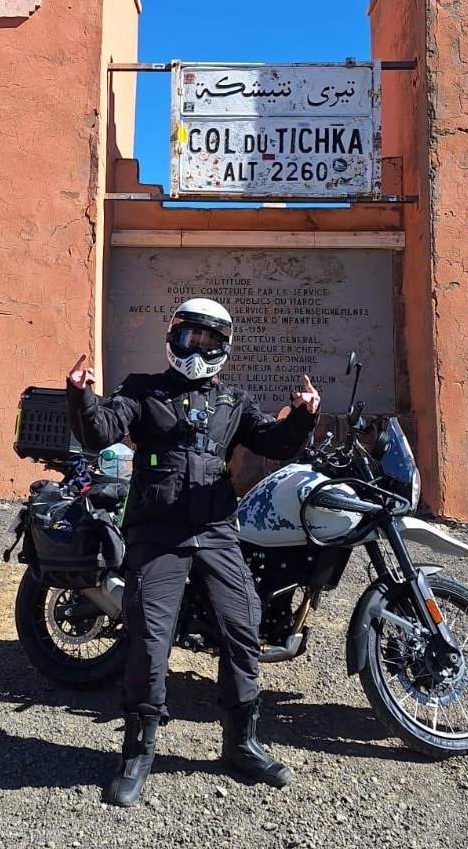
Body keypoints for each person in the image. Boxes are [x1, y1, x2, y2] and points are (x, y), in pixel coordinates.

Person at [65, 297, 320, 807]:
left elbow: (274, 442)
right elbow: (101, 430)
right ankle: (138, 753)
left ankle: (241, 744)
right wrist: (82, 396)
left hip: (216, 529)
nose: (197, 349)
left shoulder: (233, 401)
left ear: (224, 347)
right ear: (172, 338)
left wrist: (302, 417)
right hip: (157, 532)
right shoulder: (142, 389)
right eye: (189, 337)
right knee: (150, 639)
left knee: (242, 629)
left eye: (209, 341)